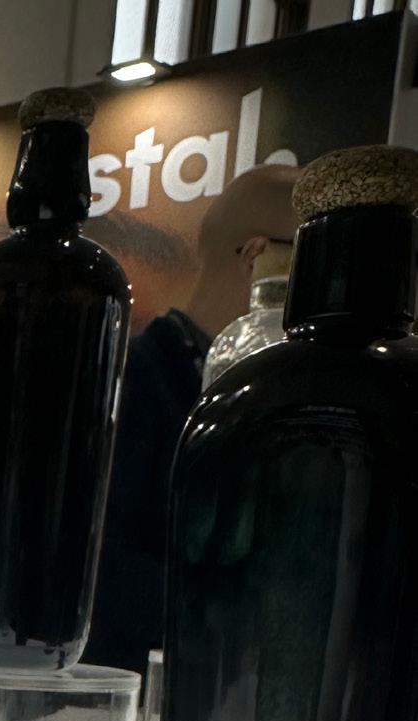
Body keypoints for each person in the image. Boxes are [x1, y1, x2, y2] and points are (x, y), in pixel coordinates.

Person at [86, 164, 301, 675]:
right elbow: (103, 567)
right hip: (130, 694)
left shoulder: (251, 386)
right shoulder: (130, 379)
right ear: (258, 257)